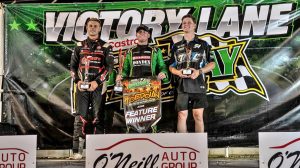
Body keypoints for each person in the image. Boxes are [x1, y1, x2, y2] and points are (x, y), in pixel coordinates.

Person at [70, 18, 114, 159]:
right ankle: (77, 151)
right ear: (86, 28)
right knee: (80, 118)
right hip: (82, 87)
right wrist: (77, 81)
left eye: (96, 26)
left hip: (98, 87)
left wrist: (97, 82)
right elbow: (72, 67)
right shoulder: (79, 46)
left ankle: (98, 151)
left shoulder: (106, 46)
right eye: (90, 26)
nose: (93, 28)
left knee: (98, 118)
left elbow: (110, 68)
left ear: (100, 28)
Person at [116, 24, 169, 132]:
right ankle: (131, 139)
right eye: (139, 32)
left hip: (151, 87)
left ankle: (152, 138)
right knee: (132, 116)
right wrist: (121, 77)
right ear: (136, 35)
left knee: (151, 115)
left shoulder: (155, 50)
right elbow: (125, 69)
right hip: (132, 88)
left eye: (144, 32)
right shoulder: (130, 52)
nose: (142, 34)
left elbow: (162, 66)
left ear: (149, 35)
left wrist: (163, 73)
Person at [169, 14, 215, 133]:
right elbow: (171, 67)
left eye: (189, 22)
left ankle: (198, 146)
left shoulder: (204, 44)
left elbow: (212, 64)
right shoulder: (176, 46)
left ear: (194, 25)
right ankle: (183, 145)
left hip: (198, 83)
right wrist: (178, 72)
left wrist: (199, 71)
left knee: (198, 115)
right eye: (184, 23)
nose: (186, 24)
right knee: (181, 115)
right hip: (181, 84)